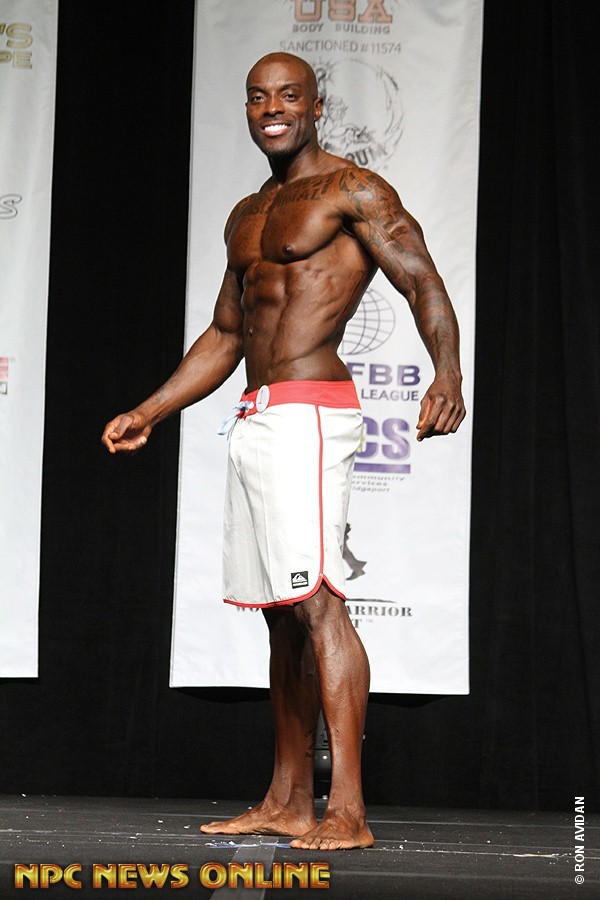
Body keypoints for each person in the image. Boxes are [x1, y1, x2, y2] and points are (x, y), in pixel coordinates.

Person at [102, 52, 466, 851]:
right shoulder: (247, 214)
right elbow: (227, 333)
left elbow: (422, 281)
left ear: (316, 105)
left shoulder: (353, 190)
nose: (272, 108)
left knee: (318, 603)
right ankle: (288, 798)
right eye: (258, 98)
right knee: (280, 616)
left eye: (288, 96)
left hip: (312, 413)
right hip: (257, 415)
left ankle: (349, 809)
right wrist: (150, 410)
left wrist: (447, 370)